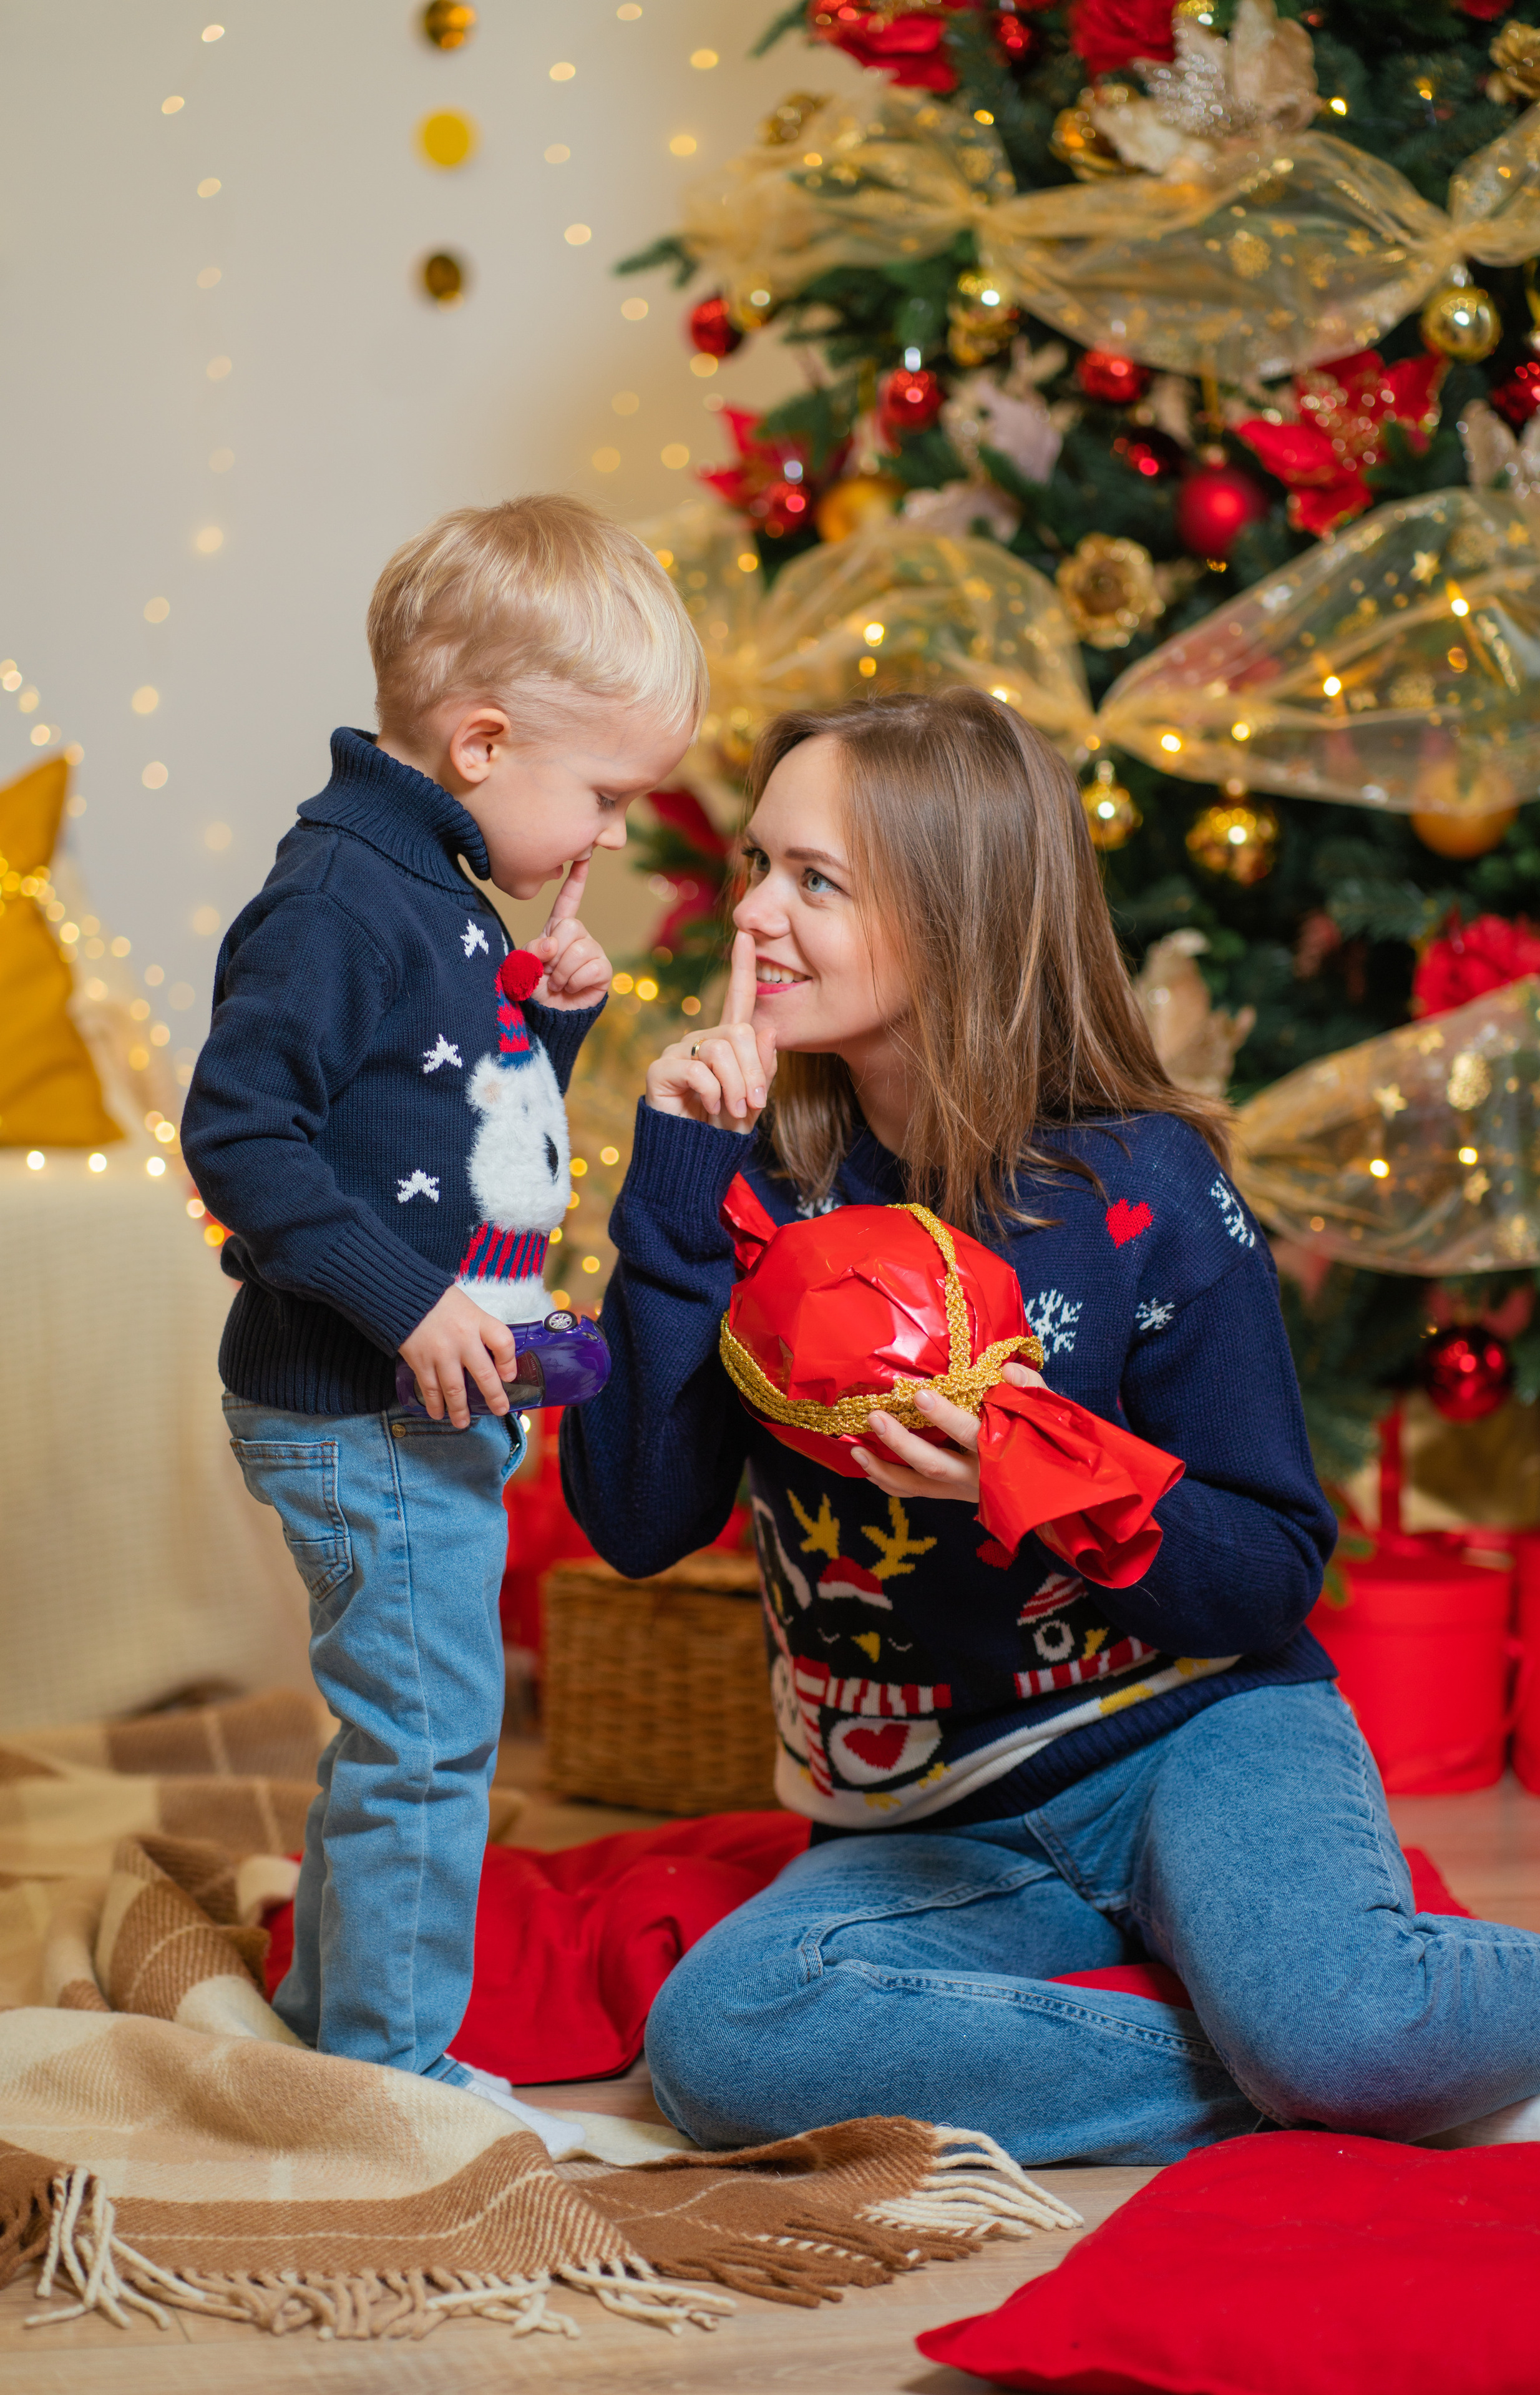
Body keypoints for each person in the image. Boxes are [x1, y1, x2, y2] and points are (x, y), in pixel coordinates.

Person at [562, 686, 1540, 2166]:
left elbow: (1270, 1566)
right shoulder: (757, 1180)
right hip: (934, 1815)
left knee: (1346, 2024)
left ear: (954, 910)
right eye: (756, 869)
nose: (754, 922)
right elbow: (639, 1522)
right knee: (724, 2040)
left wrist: (1032, 1472)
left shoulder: (1144, 1188)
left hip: (1196, 1732)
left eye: (813, 881)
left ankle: (1343, 2052)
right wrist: (671, 1187)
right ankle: (1288, 2078)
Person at [182, 496, 701, 2130]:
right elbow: (238, 1132)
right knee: (430, 1734)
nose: (611, 832)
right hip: (353, 1398)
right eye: (604, 793)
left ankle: (337, 2011)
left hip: (417, 1391)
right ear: (480, 739)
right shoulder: (344, 896)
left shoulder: (446, 886)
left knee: (411, 1722)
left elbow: (452, 1132)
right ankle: (392, 2077)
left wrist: (553, 1033)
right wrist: (410, 1306)